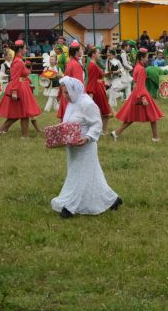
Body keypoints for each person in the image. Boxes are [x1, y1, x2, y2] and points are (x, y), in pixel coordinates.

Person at [51, 77, 122, 218]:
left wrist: (88, 137)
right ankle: (113, 199)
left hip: (85, 147)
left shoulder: (87, 104)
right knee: (90, 174)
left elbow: (97, 124)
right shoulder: (72, 103)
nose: (65, 96)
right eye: (63, 93)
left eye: (66, 93)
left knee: (81, 174)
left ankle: (70, 207)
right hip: (73, 147)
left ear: (74, 90)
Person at [111, 50, 163, 142]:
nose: (147, 59)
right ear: (142, 58)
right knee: (153, 116)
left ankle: (116, 133)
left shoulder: (137, 67)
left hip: (136, 94)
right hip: (142, 94)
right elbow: (140, 85)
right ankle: (155, 137)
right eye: (146, 57)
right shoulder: (142, 69)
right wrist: (143, 98)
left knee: (131, 117)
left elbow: (135, 82)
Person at [0, 40, 42, 138]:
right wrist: (14, 91)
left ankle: (2, 129)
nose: (26, 49)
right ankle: (24, 136)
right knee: (24, 113)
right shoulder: (18, 61)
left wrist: (28, 82)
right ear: (20, 49)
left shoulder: (19, 60)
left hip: (21, 87)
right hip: (19, 88)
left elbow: (22, 74)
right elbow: (15, 77)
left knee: (19, 113)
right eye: (25, 48)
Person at [85, 47, 112, 136]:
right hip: (97, 90)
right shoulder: (92, 65)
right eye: (98, 53)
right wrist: (91, 93)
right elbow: (92, 80)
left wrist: (109, 73)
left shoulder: (93, 64)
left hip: (98, 88)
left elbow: (98, 77)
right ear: (93, 54)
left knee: (100, 112)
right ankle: (103, 132)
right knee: (105, 113)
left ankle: (100, 131)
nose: (99, 54)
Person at [57, 42, 85, 121]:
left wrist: (59, 93)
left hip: (67, 95)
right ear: (76, 52)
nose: (82, 51)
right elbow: (78, 84)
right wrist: (83, 96)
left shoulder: (70, 62)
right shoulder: (75, 64)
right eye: (80, 49)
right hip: (72, 97)